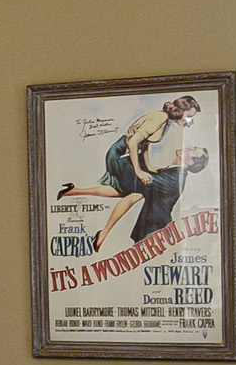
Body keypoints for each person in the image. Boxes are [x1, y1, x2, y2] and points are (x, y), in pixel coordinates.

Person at [55, 96, 203, 252]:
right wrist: (139, 171)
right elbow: (133, 143)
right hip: (120, 156)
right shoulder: (161, 118)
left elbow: (144, 144)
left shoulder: (166, 122)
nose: (190, 121)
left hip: (129, 156)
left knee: (128, 191)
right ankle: (103, 233)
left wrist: (149, 167)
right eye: (189, 117)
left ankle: (72, 191)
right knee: (139, 190)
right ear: (181, 111)